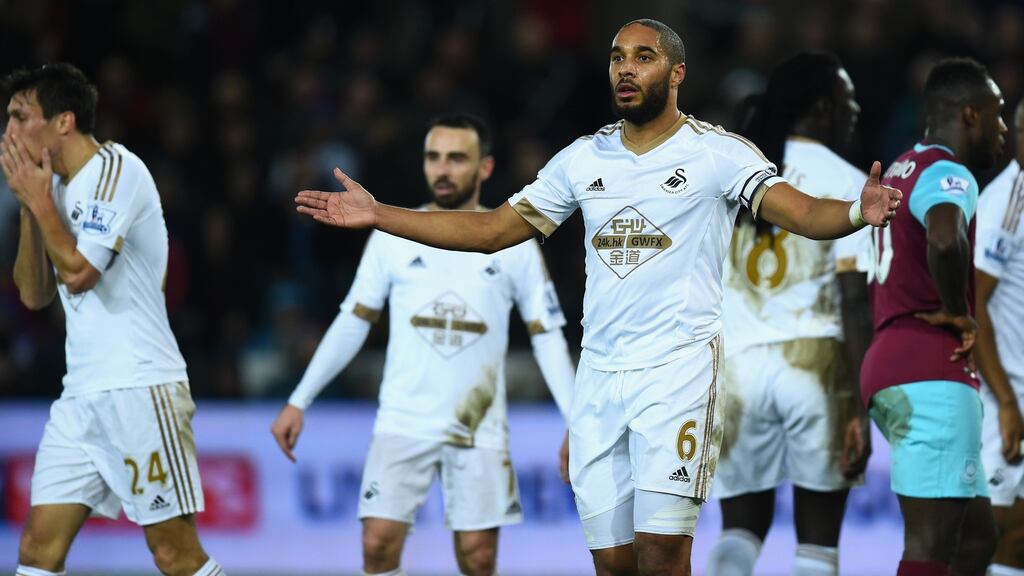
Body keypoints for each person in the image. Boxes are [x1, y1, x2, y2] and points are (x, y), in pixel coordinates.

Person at [294, 19, 901, 576]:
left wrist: (856, 210)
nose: (625, 70)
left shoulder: (716, 153)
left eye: (643, 57)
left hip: (678, 375)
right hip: (600, 381)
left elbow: (798, 211)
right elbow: (489, 231)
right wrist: (380, 215)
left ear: (677, 73)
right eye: (616, 59)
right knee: (613, 564)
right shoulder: (584, 159)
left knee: (663, 552)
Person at [271, 113, 575, 576]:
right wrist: (299, 399)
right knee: (376, 546)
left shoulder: (515, 245)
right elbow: (352, 321)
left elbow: (547, 335)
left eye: (457, 158)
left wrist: (576, 421)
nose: (443, 169)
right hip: (403, 417)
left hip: (477, 424)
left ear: (485, 168)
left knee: (478, 558)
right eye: (434, 157)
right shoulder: (392, 236)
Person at [1, 64, 223, 576]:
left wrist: (39, 200)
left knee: (174, 555)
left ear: (63, 121)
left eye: (20, 116)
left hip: (140, 388)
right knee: (37, 549)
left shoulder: (116, 170)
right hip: (80, 397)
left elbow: (79, 273)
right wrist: (31, 207)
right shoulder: (49, 192)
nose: (8, 131)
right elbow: (34, 295)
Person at [706, 52, 873, 576]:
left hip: (737, 367)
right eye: (848, 100)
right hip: (816, 365)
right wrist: (861, 407)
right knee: (818, 543)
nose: (856, 110)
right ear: (823, 108)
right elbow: (852, 299)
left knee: (739, 530)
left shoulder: (736, 180)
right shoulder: (848, 181)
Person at [861, 57, 1007, 576]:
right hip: (930, 370)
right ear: (970, 115)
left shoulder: (901, 165)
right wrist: (958, 313)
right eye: (998, 113)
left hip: (889, 361)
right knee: (929, 543)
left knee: (975, 539)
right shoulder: (949, 171)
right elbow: (946, 238)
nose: (1004, 128)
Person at [974, 98, 1024, 576]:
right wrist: (1007, 401)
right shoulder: (1011, 197)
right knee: (994, 531)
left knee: (1018, 537)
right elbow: (976, 301)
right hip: (1005, 391)